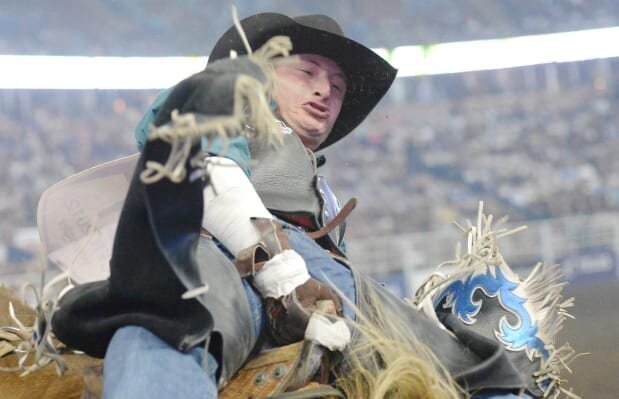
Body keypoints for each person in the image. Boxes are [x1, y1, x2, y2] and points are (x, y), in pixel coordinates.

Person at [50, 12, 573, 399]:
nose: (326, 91)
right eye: (308, 72)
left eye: (339, 86)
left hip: (326, 289)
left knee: (479, 368)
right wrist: (283, 270)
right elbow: (203, 163)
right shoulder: (228, 100)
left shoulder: (315, 188)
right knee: (172, 317)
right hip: (227, 260)